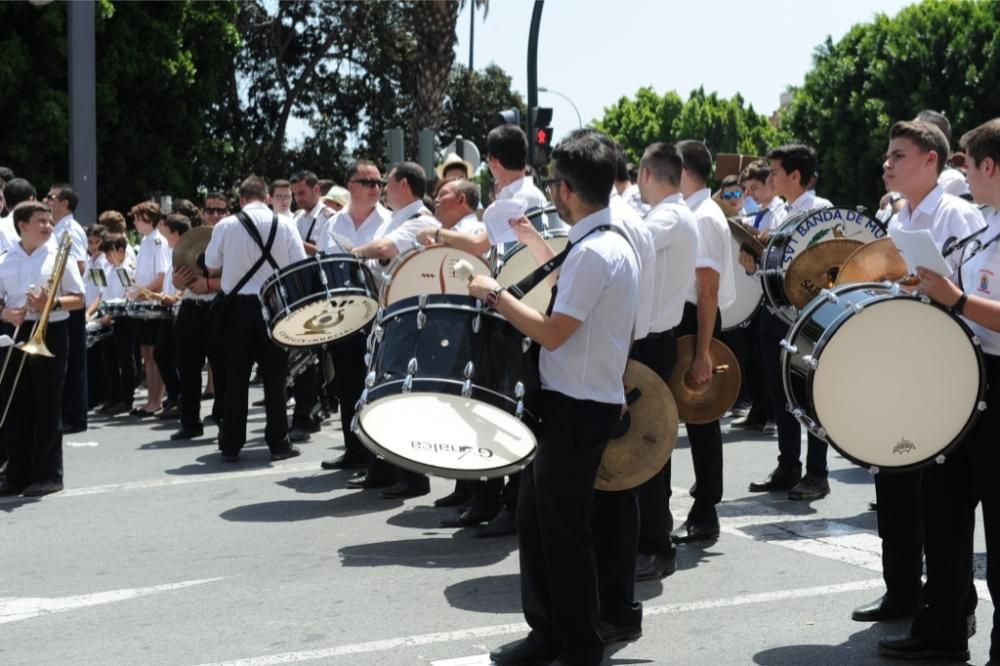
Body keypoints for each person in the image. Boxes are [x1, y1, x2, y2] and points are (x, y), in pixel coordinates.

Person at [472, 132, 640, 666]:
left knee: (563, 532)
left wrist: (493, 294)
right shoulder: (605, 244)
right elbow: (573, 287)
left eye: (552, 185)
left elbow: (552, 331)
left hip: (576, 405)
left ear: (565, 190)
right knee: (538, 521)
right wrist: (537, 246)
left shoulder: (596, 252)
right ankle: (548, 632)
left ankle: (577, 643)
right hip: (578, 400)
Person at [853, 120, 984, 627]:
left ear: (932, 160)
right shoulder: (900, 215)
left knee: (938, 494)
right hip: (905, 353)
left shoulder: (958, 214)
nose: (887, 163)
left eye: (898, 155)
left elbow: (967, 288)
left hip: (942, 360)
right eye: (887, 156)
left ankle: (952, 604)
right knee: (895, 480)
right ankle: (901, 590)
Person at [878, 118, 1000, 663]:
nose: (963, 175)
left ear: (989, 168)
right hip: (965, 377)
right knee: (944, 508)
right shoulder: (988, 225)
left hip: (996, 383)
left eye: (968, 165)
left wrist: (952, 298)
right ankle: (942, 626)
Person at [745, 144, 835, 503]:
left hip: (806, 316)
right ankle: (788, 466)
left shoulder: (820, 209)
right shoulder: (780, 211)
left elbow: (824, 264)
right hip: (775, 311)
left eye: (775, 172)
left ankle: (817, 473)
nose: (771, 178)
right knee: (781, 393)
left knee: (809, 395)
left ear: (795, 176)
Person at [203, 175, 305, 463]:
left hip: (236, 308)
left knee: (236, 377)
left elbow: (211, 265)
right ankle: (279, 443)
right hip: (272, 305)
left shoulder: (226, 224)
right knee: (275, 377)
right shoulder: (285, 223)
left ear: (241, 199)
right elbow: (297, 265)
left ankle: (231, 444)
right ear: (267, 197)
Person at [632, 141, 698, 580]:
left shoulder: (669, 216)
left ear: (646, 175)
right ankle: (649, 540)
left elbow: (629, 246)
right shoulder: (668, 214)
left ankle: (656, 544)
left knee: (647, 451)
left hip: (652, 343)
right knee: (645, 449)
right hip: (652, 341)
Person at [669, 139, 737, 544]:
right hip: (684, 319)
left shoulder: (706, 216)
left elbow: (707, 291)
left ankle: (707, 507)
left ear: (682, 171)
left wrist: (703, 352)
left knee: (701, 414)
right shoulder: (689, 212)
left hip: (698, 320)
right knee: (683, 414)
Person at [0, 201, 86, 497]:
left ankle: (49, 475)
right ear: (23, 225)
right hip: (16, 331)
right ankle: (17, 474)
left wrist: (52, 303)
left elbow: (79, 298)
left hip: (51, 330)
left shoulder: (60, 256)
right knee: (15, 406)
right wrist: (4, 314)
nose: (49, 227)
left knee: (46, 405)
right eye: (41, 221)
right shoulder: (4, 259)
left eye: (50, 221)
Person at [316, 160, 390, 477]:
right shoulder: (333, 223)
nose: (376, 188)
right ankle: (353, 449)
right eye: (368, 182)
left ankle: (379, 457)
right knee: (347, 383)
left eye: (379, 183)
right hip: (344, 312)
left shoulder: (389, 220)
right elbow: (320, 262)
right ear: (351, 186)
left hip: (379, 312)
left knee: (375, 385)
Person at [128, 202, 171, 417]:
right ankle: (150, 400)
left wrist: (142, 291)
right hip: (144, 303)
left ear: (148, 218)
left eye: (138, 218)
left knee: (154, 353)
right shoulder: (145, 241)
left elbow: (162, 276)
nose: (134, 222)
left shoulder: (157, 241)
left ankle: (156, 400)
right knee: (146, 353)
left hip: (154, 303)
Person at [290, 170, 335, 256]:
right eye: (294, 194)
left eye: (301, 193)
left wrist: (298, 244)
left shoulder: (330, 218)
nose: (297, 199)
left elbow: (333, 254)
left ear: (316, 189)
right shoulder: (296, 218)